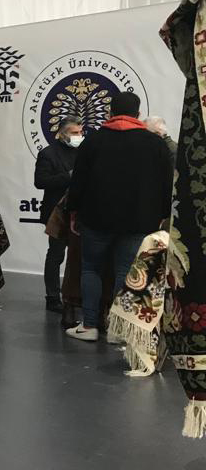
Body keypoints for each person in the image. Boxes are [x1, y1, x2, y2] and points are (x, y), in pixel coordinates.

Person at [65, 92, 172, 341]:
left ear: (110, 112)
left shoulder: (93, 141)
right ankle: (118, 330)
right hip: (138, 221)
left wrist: (73, 211)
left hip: (96, 218)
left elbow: (78, 181)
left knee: (91, 269)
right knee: (126, 271)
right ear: (138, 114)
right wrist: (161, 215)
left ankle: (89, 326)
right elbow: (166, 185)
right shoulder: (155, 144)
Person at [34, 115, 84, 313]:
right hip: (57, 212)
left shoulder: (84, 152)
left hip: (79, 212)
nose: (79, 135)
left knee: (79, 257)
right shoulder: (48, 153)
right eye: (74, 132)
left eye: (80, 132)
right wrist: (68, 177)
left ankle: (75, 295)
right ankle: (53, 297)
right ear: (62, 134)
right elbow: (40, 181)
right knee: (56, 255)